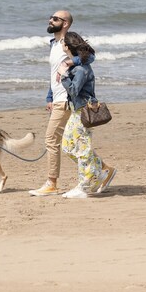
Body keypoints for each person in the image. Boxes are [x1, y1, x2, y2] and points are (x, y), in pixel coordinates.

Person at [58, 32, 116, 199]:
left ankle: (85, 186)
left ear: (68, 47)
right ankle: (100, 172)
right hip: (76, 111)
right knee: (68, 147)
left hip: (84, 111)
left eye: (63, 42)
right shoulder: (76, 65)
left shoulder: (81, 69)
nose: (61, 44)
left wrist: (63, 75)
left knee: (82, 149)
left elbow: (74, 90)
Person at [28, 10, 75, 196]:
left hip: (66, 98)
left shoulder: (68, 42)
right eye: (50, 17)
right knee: (73, 143)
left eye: (55, 18)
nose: (50, 20)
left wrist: (70, 63)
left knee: (51, 140)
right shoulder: (54, 43)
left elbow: (89, 58)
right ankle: (102, 170)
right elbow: (54, 72)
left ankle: (51, 183)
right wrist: (49, 97)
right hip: (57, 98)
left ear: (65, 23)